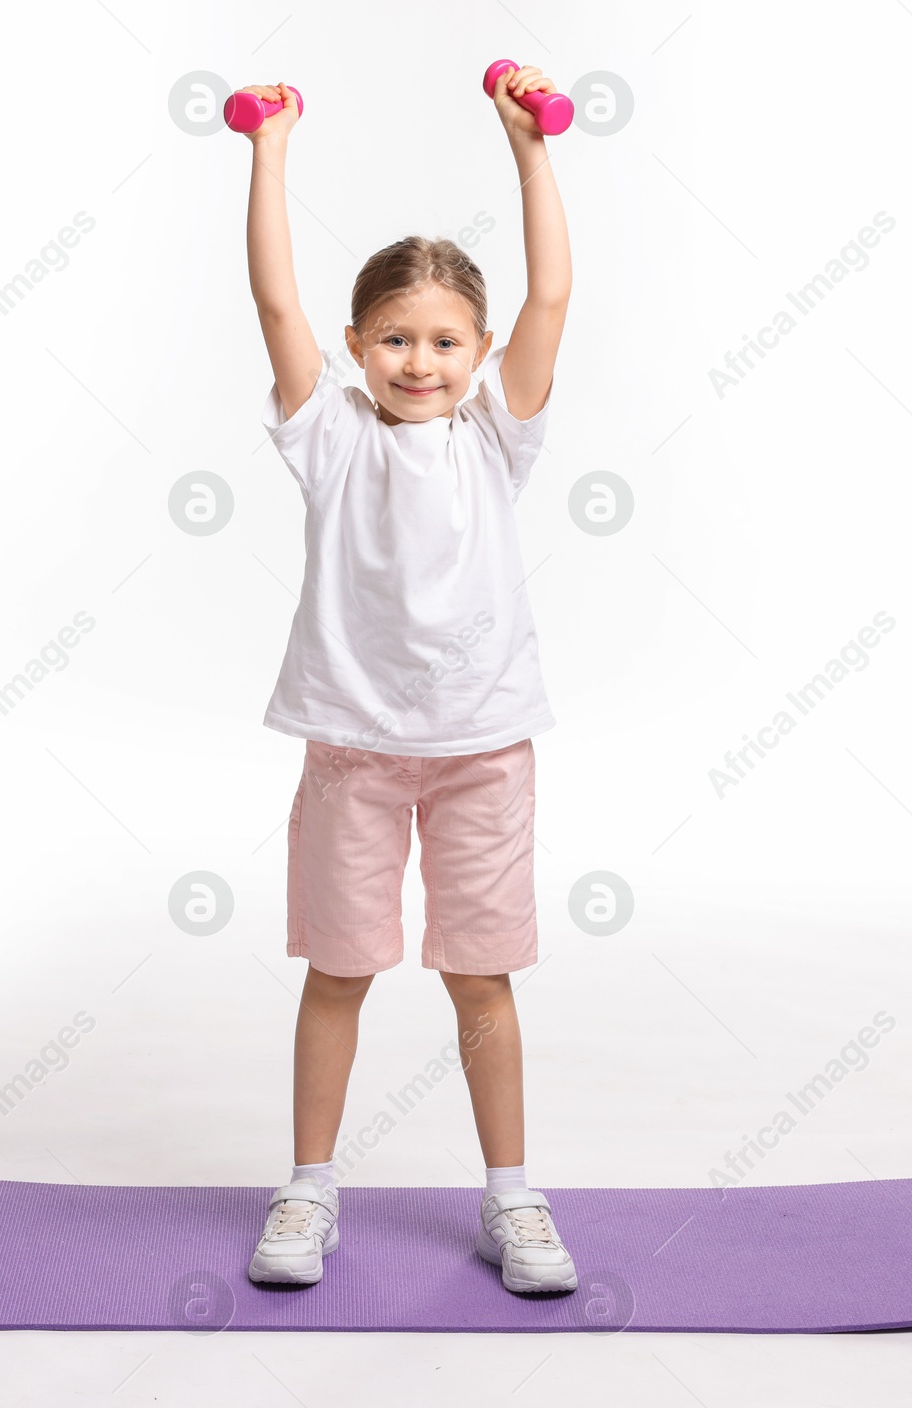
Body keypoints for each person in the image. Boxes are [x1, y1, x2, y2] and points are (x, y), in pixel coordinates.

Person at [238, 65, 576, 1295]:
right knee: (339, 971)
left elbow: (552, 293)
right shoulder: (327, 434)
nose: (419, 360)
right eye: (394, 338)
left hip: (483, 748)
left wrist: (530, 152)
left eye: (443, 341)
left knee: (478, 975)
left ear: (477, 353)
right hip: (353, 751)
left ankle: (512, 1200)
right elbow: (273, 301)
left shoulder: (497, 433)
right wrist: (269, 151)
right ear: (356, 346)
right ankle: (309, 1189)